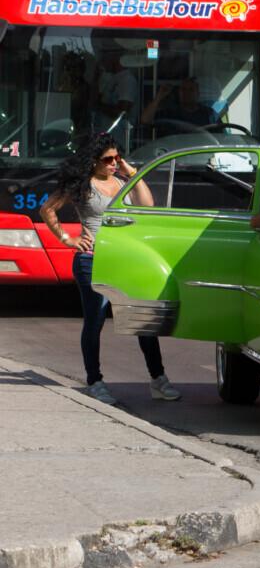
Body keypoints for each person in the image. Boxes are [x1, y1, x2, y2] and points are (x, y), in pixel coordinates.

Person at [37, 133, 179, 405]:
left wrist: (132, 172)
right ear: (93, 161)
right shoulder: (82, 185)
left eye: (117, 157)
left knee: (143, 319)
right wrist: (68, 239)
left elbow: (147, 205)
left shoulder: (122, 181)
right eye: (107, 159)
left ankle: (158, 380)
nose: (114, 163)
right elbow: (47, 210)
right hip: (92, 260)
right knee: (95, 322)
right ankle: (95, 382)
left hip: (126, 261)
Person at [142, 76, 219, 135]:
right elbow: (145, 120)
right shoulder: (169, 112)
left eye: (190, 89)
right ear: (179, 92)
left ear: (198, 94)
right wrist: (159, 96)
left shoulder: (209, 114)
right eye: (183, 89)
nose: (186, 93)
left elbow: (222, 136)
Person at [95, 48, 139, 128]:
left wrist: (98, 107)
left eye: (105, 58)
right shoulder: (110, 78)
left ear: (116, 57)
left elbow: (123, 111)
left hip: (120, 137)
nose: (103, 62)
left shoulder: (128, 80)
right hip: (107, 133)